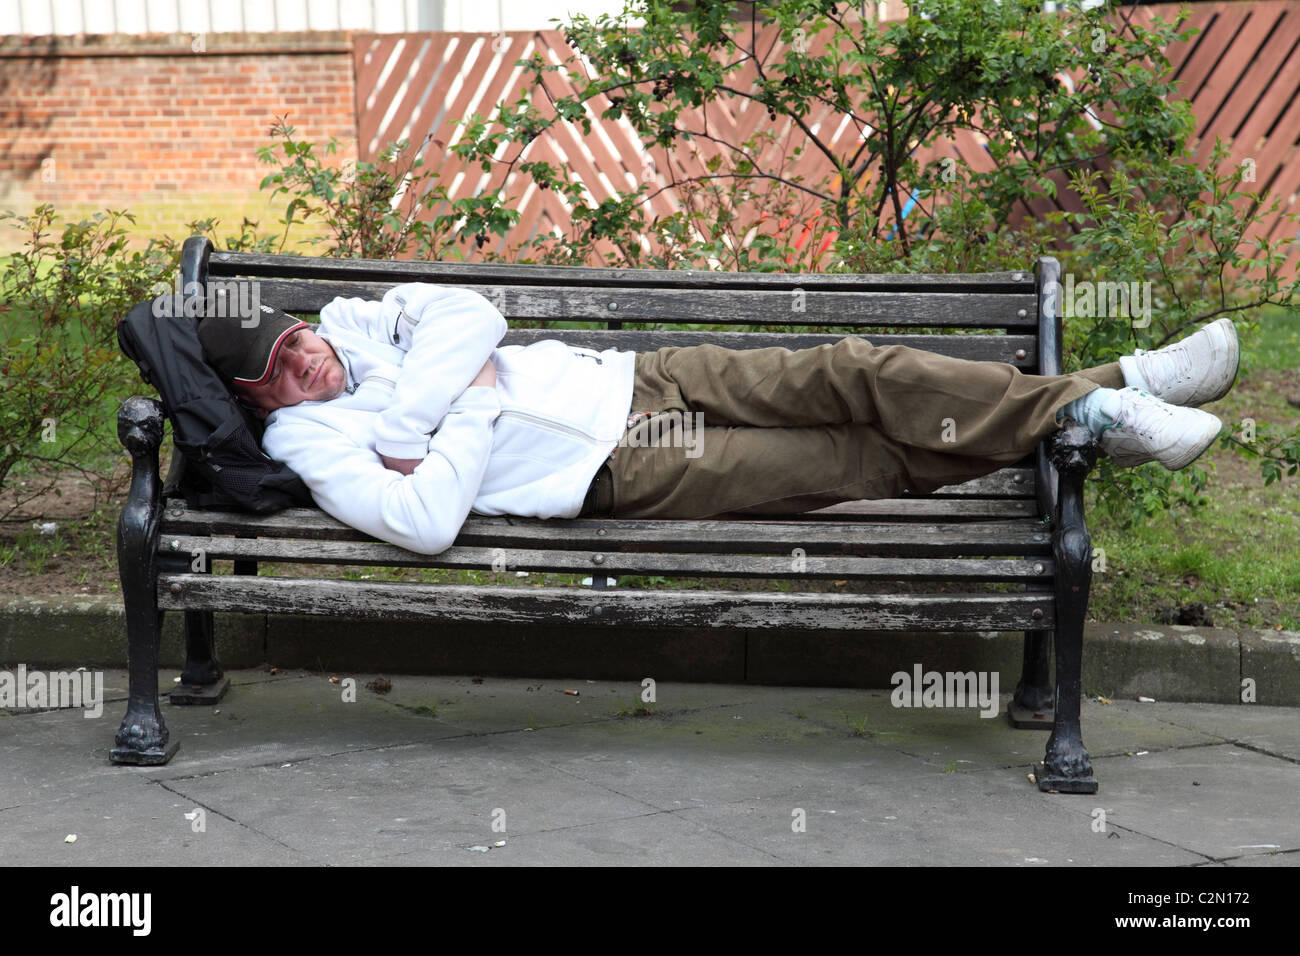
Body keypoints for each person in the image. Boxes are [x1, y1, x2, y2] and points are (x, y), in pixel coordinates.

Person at [197, 285, 1238, 555]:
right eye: (282, 369)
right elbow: (424, 519)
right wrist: (466, 411)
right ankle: (1105, 398)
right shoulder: (309, 444)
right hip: (621, 457)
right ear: (255, 399)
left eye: (291, 337)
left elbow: (472, 313)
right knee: (848, 455)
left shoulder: (347, 322)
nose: (307, 358)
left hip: (640, 370)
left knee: (850, 367)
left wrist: (421, 407)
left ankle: (1107, 395)